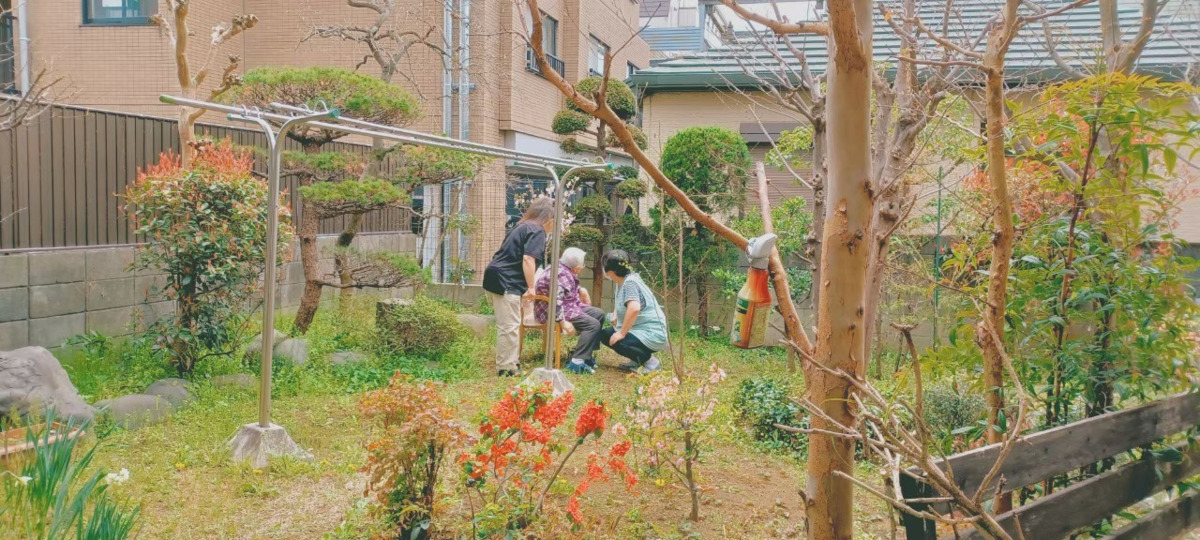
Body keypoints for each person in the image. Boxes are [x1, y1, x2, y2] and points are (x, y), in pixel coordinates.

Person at [483, 197, 554, 377]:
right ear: (549, 218)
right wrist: (531, 288)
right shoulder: (537, 230)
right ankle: (507, 367)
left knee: (509, 324)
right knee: (509, 325)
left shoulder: (523, 226)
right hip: (506, 280)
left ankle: (510, 362)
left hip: (496, 276)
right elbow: (528, 259)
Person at [534, 247, 606, 374]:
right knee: (592, 325)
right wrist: (562, 322)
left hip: (568, 305)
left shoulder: (561, 268)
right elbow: (556, 301)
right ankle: (576, 362)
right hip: (550, 311)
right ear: (576, 267)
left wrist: (580, 290)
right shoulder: (561, 274)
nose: (583, 267)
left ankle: (586, 356)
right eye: (582, 264)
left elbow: (566, 288)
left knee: (598, 314)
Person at [598, 249, 669, 374]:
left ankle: (651, 362)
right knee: (605, 335)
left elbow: (634, 307)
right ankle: (637, 360)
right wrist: (615, 313)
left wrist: (622, 333)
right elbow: (623, 300)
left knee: (619, 341)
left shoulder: (630, 283)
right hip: (638, 328)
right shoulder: (623, 279)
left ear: (611, 271)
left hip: (651, 332)